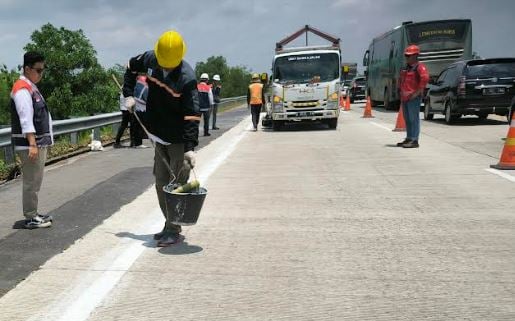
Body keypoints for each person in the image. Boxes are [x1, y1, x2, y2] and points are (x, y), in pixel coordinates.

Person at [122, 30, 200, 247]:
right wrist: (128, 94)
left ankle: (173, 228)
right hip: (157, 133)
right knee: (160, 182)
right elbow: (129, 67)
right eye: (163, 64)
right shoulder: (149, 59)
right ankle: (169, 223)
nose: (165, 68)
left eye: (169, 65)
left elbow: (192, 115)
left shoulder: (187, 78)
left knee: (177, 185)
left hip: (177, 139)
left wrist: (190, 147)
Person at [10, 51, 54, 229]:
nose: (41, 74)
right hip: (30, 144)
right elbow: (25, 118)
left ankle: (33, 213)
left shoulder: (30, 86)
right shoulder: (22, 88)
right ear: (27, 69)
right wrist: (32, 144)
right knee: (31, 181)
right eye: (38, 70)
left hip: (37, 142)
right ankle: (30, 217)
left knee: (35, 180)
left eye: (43, 70)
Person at [397, 45, 430, 148]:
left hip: (413, 98)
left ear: (415, 56)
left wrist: (418, 92)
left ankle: (414, 139)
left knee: (413, 119)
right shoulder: (405, 68)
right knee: (407, 119)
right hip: (405, 98)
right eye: (406, 56)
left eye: (409, 56)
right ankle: (409, 137)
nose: (407, 58)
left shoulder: (419, 67)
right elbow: (401, 80)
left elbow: (425, 78)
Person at [131, 75, 148, 148]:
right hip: (142, 109)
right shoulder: (144, 88)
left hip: (135, 109)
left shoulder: (135, 87)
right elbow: (147, 99)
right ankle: (138, 143)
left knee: (136, 126)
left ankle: (135, 143)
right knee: (140, 127)